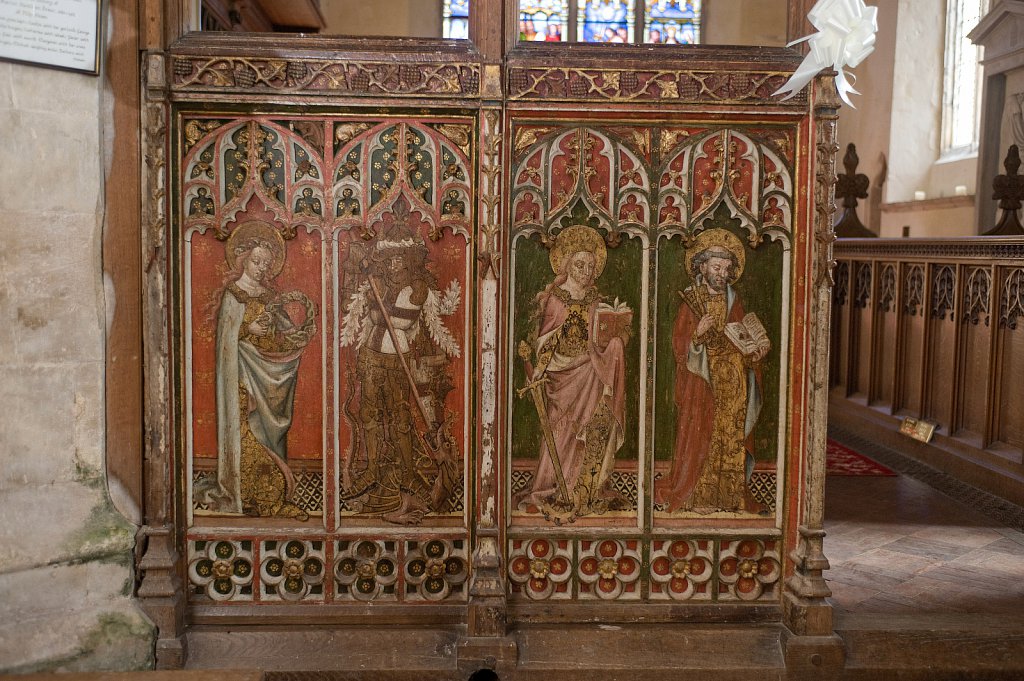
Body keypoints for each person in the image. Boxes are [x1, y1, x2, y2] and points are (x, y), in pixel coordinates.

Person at [339, 202, 462, 525]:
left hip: (396, 359)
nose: (394, 265)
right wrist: (375, 303)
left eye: (399, 259)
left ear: (409, 261)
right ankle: (372, 469)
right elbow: (372, 316)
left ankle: (407, 476)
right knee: (369, 414)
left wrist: (380, 310)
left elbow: (400, 321)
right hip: (371, 356)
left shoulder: (416, 290)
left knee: (400, 417)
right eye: (389, 259)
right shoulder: (378, 285)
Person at [194, 221, 316, 520]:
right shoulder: (233, 294)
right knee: (248, 434)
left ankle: (274, 500)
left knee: (269, 433)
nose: (261, 268)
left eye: (266, 264)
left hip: (268, 377)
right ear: (243, 260)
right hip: (242, 379)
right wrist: (248, 329)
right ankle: (246, 497)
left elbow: (284, 331)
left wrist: (296, 334)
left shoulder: (269, 296)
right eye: (256, 261)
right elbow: (226, 340)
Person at [516, 226, 630, 520]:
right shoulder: (555, 299)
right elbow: (544, 340)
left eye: (590, 266)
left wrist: (616, 338)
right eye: (580, 265)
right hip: (561, 374)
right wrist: (546, 359)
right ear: (566, 264)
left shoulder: (595, 299)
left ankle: (583, 489)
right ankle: (549, 488)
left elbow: (601, 335)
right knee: (561, 430)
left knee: (589, 429)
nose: (585, 271)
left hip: (592, 371)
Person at [654, 229, 769, 514]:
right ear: (702, 267)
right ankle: (698, 497)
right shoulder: (691, 300)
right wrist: (697, 334)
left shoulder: (733, 300)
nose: (722, 274)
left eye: (727, 269)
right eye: (717, 267)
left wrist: (754, 352)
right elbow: (679, 344)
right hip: (702, 381)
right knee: (702, 434)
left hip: (734, 383)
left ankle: (729, 498)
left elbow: (742, 334)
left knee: (730, 437)